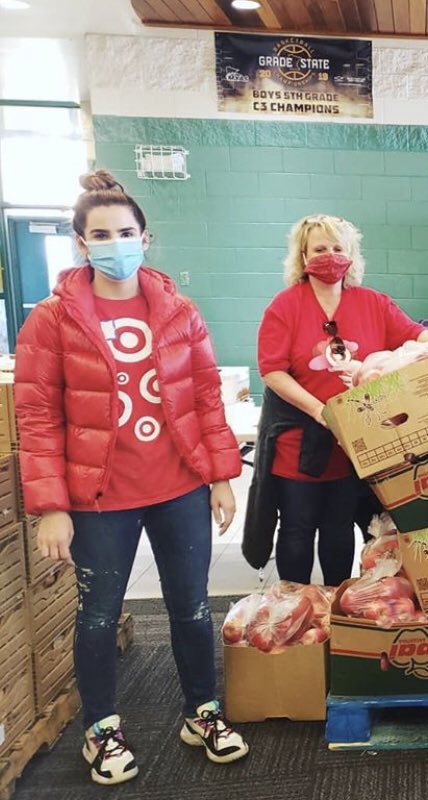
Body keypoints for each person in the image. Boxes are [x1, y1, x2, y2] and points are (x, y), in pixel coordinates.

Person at [14, 171, 249, 786]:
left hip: (179, 489)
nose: (114, 242)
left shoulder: (178, 310)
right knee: (98, 614)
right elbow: (36, 416)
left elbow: (204, 397)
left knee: (193, 609)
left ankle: (202, 712)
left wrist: (222, 475)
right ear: (80, 242)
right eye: (100, 233)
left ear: (146, 239)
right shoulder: (51, 319)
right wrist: (52, 506)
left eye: (125, 231)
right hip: (99, 500)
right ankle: (102, 730)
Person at [243, 214, 428, 585]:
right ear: (302, 256)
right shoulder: (284, 307)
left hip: (354, 446)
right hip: (297, 444)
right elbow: (272, 371)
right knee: (297, 530)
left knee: (337, 528)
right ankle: (295, 600)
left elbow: (412, 333)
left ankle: (333, 602)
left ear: (351, 255)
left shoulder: (372, 303)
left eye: (337, 248)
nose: (329, 256)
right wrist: (319, 410)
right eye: (319, 249)